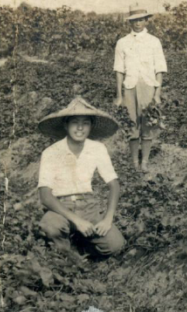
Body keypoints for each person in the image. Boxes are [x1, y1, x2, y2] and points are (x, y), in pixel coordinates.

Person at [37, 97, 125, 263]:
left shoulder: (97, 149)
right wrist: (77, 221)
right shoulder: (51, 152)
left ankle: (81, 242)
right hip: (61, 207)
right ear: (66, 125)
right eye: (74, 122)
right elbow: (45, 196)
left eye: (85, 123)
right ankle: (66, 256)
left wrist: (108, 219)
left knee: (116, 245)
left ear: (91, 126)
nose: (80, 128)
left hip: (89, 206)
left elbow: (114, 184)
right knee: (51, 226)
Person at [114, 4, 167, 170]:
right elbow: (119, 70)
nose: (138, 23)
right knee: (132, 126)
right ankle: (134, 162)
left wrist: (157, 93)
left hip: (148, 87)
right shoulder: (122, 43)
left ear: (146, 21)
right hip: (130, 87)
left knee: (147, 125)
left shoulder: (154, 42)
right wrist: (119, 95)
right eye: (134, 20)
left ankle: (144, 162)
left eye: (141, 20)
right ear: (130, 22)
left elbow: (159, 69)